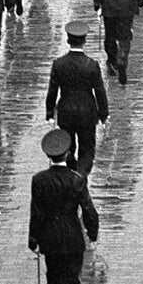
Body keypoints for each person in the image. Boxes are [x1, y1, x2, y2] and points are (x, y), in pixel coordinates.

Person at [28, 129, 100, 284]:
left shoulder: (39, 180)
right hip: (72, 238)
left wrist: (33, 237)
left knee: (53, 278)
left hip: (50, 238)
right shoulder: (76, 180)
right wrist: (93, 231)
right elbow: (88, 209)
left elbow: (36, 212)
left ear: (49, 155)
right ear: (68, 153)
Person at [44, 22, 108, 177]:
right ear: (84, 41)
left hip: (66, 111)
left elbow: (53, 90)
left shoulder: (58, 64)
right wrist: (104, 114)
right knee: (87, 149)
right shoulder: (92, 65)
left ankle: (72, 173)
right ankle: (82, 177)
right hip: (87, 112)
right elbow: (99, 91)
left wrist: (50, 114)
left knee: (68, 147)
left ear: (68, 41)